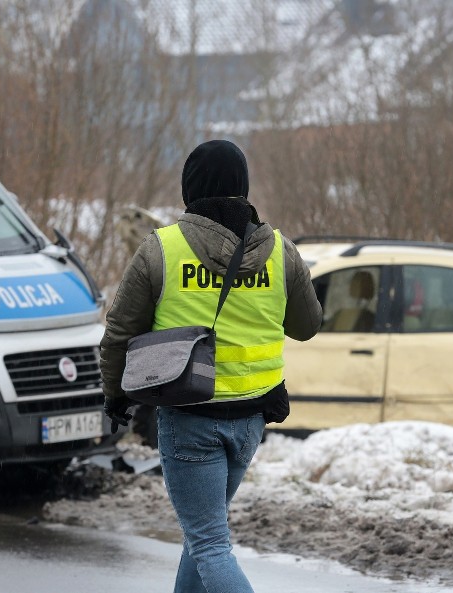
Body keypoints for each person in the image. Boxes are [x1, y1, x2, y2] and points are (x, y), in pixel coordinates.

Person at [99, 139, 321, 593]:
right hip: (252, 420)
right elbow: (307, 326)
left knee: (209, 544)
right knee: (201, 537)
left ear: (190, 188)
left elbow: (119, 334)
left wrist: (114, 394)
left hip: (191, 418)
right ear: (243, 186)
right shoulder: (281, 251)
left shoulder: (161, 249)